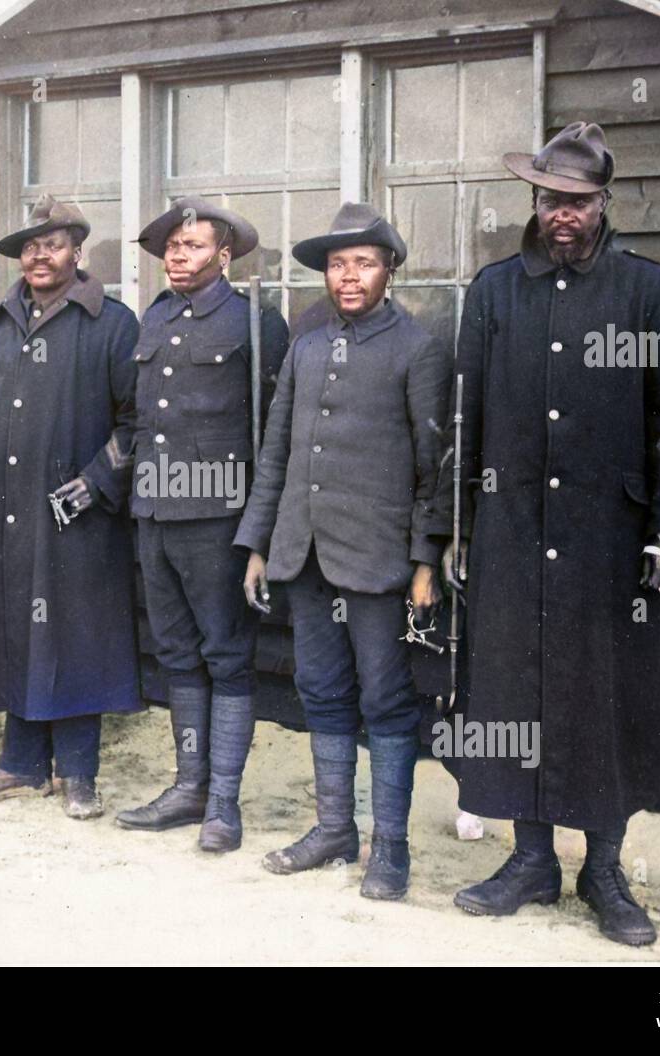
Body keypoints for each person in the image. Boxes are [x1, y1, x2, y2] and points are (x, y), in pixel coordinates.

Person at [438, 122, 660, 946]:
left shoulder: (645, 291)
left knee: (603, 698)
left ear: (603, 205)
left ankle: (604, 868)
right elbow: (464, 418)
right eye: (551, 199)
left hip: (608, 539)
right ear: (535, 200)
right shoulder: (494, 292)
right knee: (515, 691)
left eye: (579, 202)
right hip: (512, 529)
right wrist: (458, 529)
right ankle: (530, 862)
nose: (563, 215)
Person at [235, 202, 448, 900]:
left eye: (363, 262)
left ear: (389, 269)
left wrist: (424, 562)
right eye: (336, 264)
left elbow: (432, 466)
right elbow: (278, 455)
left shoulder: (416, 349)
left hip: (379, 563)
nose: (348, 276)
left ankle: (390, 850)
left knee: (386, 701)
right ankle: (334, 830)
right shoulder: (305, 347)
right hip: (306, 557)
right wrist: (260, 544)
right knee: (320, 691)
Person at [0, 195, 141, 819]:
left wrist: (95, 483)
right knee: (11, 627)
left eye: (52, 243)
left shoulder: (112, 324)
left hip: (73, 514)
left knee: (75, 635)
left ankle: (79, 773)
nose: (39, 254)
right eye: (29, 245)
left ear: (76, 251)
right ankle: (20, 764)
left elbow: (136, 423)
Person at [115, 197, 288, 852]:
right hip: (154, 511)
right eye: (171, 246)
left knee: (226, 655)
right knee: (178, 653)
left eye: (191, 246)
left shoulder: (256, 322)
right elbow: (139, 417)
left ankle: (223, 804)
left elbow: (277, 430)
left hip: (217, 519)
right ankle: (188, 786)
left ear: (224, 256)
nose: (176, 255)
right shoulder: (154, 317)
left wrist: (259, 529)